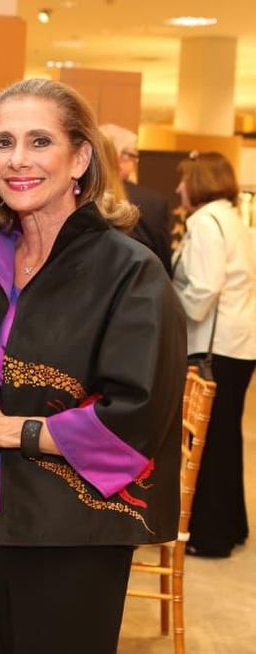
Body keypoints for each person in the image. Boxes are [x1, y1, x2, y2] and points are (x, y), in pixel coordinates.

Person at [0, 78, 186, 654]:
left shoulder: (130, 272)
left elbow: (136, 417)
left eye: (39, 141)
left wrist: (5, 430)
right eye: (2, 143)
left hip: (74, 532)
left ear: (80, 158)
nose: (17, 160)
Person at [172, 150, 256, 558]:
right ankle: (232, 525)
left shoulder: (205, 222)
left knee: (210, 441)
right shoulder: (233, 218)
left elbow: (203, 290)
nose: (178, 188)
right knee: (225, 437)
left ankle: (211, 535)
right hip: (239, 345)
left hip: (214, 345)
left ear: (199, 181)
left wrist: (169, 307)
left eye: (184, 180)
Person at [99, 123, 173, 277]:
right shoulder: (151, 202)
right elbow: (162, 266)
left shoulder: (70, 194)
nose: (134, 164)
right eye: (134, 156)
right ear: (119, 156)